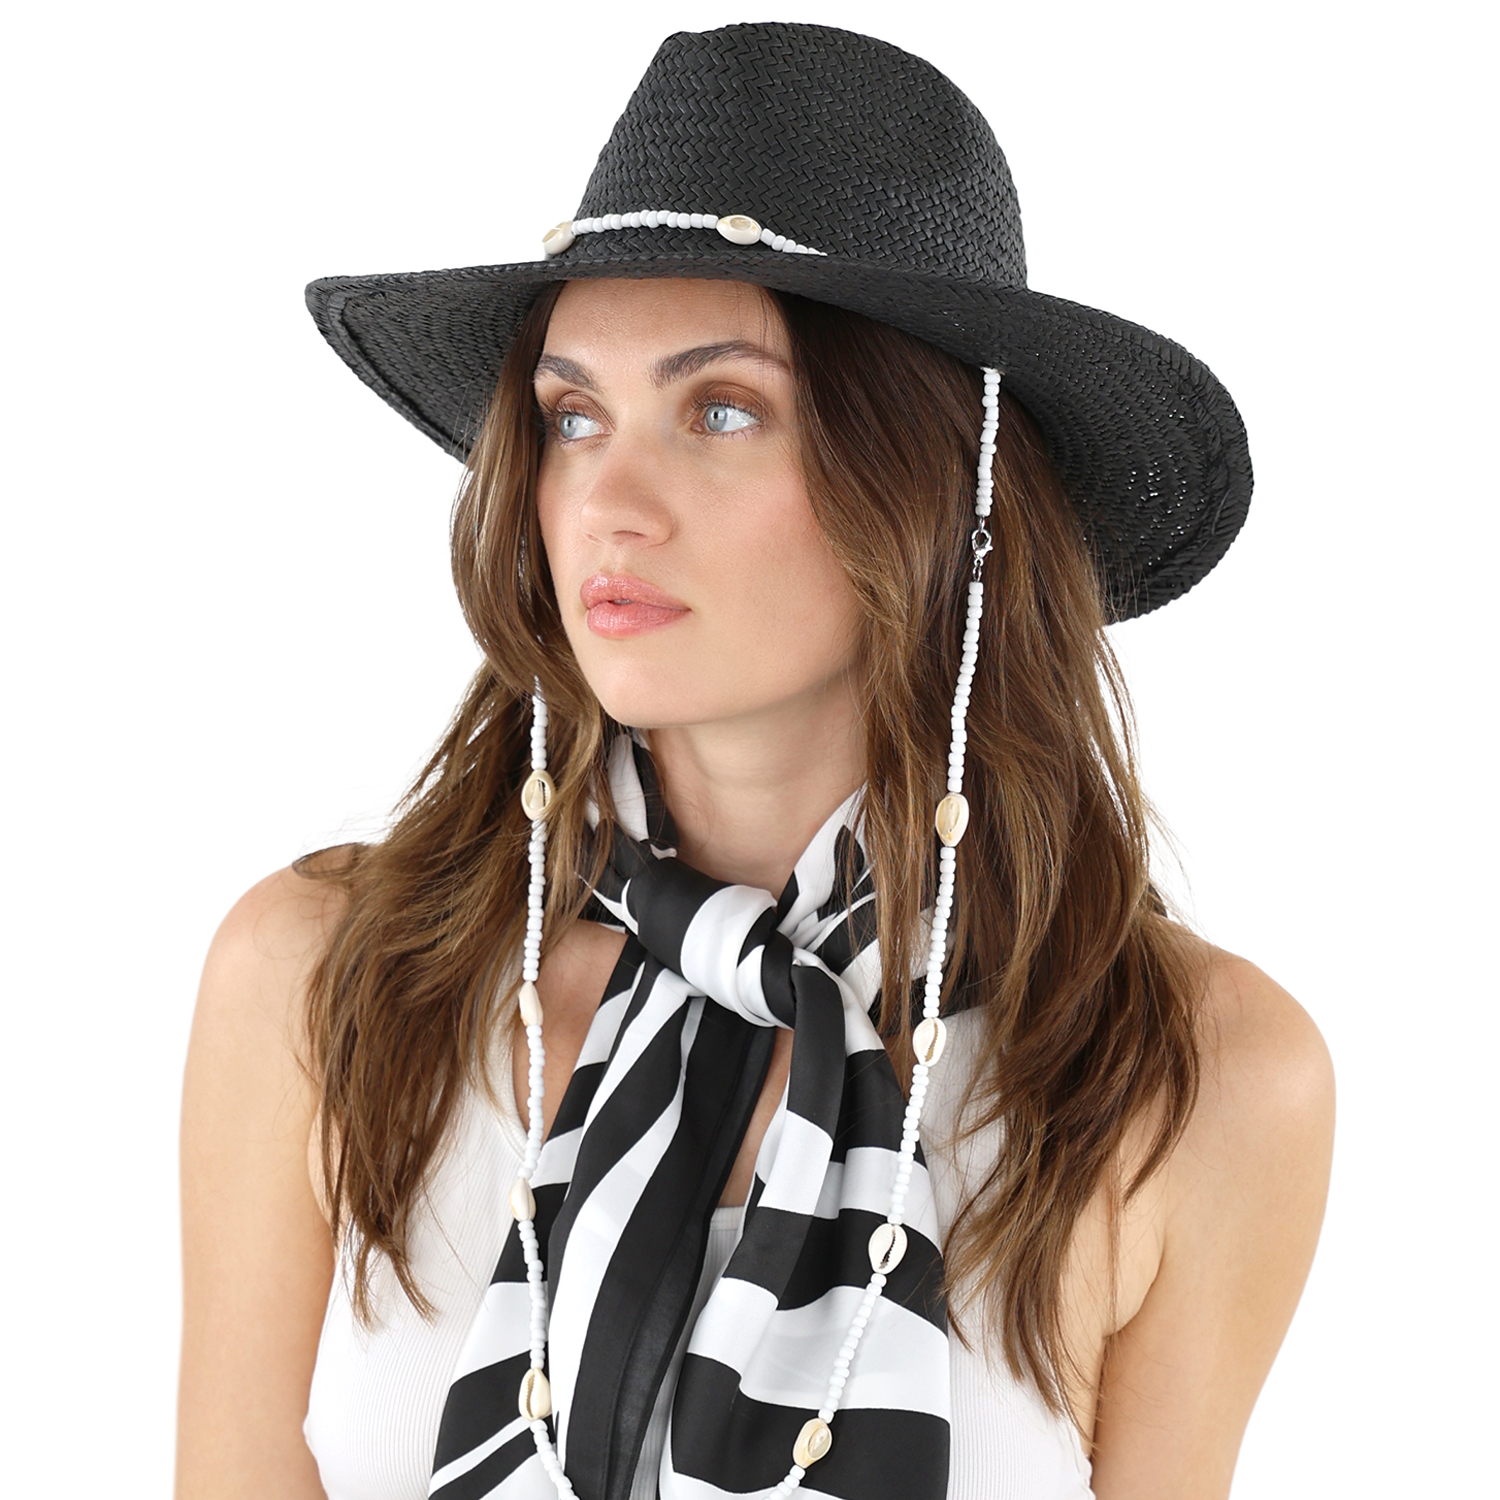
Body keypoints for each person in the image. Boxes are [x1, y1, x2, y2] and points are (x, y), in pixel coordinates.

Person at [177, 22, 1334, 1500]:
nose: (608, 501)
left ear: (941, 485)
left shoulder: (1199, 1077)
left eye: (722, 410)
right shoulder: (317, 980)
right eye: (572, 416)